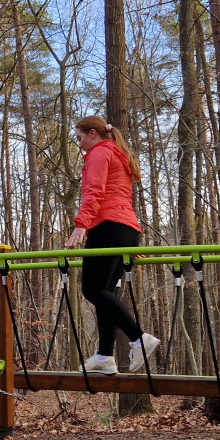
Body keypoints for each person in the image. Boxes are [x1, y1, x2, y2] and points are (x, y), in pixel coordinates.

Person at [65, 115, 159, 374]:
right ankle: (105, 355)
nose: (79, 144)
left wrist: (82, 223)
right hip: (126, 229)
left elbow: (95, 190)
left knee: (93, 291)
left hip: (107, 227)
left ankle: (139, 338)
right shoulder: (118, 154)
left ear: (94, 134)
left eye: (80, 138)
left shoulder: (100, 153)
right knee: (106, 293)